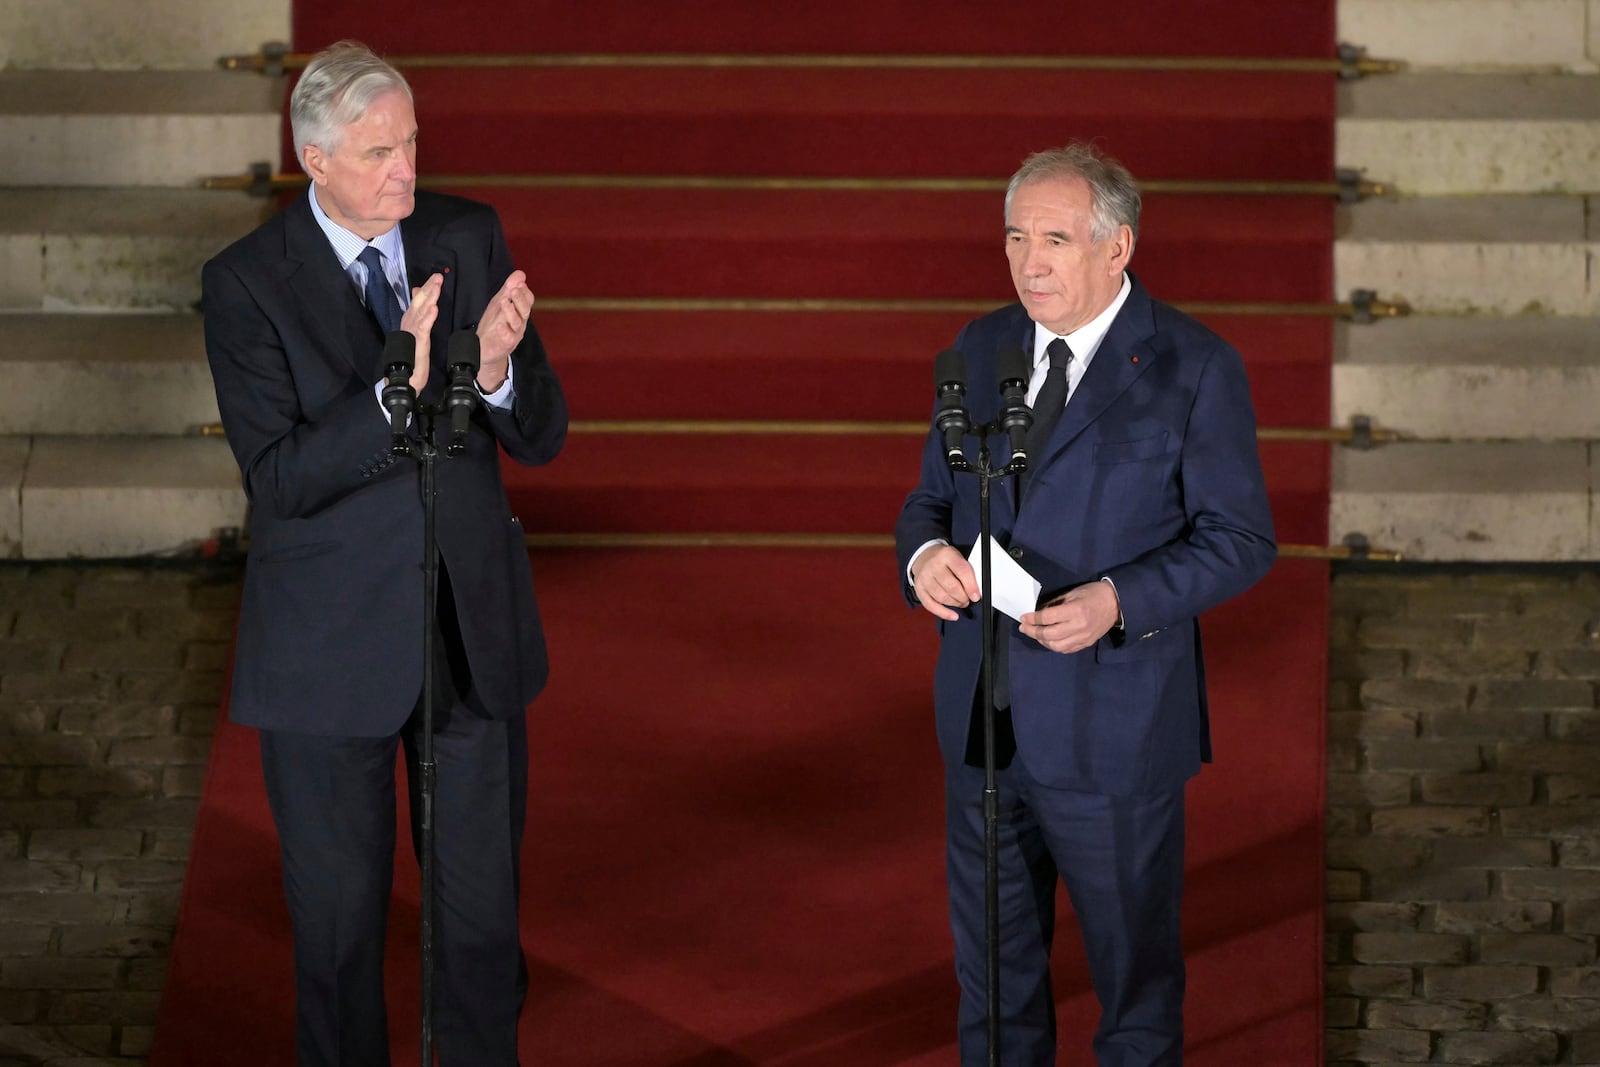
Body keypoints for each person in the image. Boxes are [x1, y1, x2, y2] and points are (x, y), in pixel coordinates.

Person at [202, 41, 566, 1066]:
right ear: (314, 161)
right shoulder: (244, 285)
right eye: (376, 153)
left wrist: (494, 375)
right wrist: (395, 389)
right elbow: (278, 476)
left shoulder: (467, 233)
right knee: (336, 936)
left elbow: (541, 431)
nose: (404, 171)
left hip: (466, 643)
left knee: (484, 932)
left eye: (409, 143)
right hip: (325, 662)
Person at [894, 143, 1276, 1065]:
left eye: (1056, 239)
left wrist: (1118, 598)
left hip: (1116, 732)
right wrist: (924, 558)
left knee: (1134, 988)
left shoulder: (1195, 365)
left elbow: (1242, 539)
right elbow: (928, 501)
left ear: (1118, 248)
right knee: (992, 987)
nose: (1030, 261)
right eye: (1017, 237)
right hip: (987, 728)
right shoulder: (981, 346)